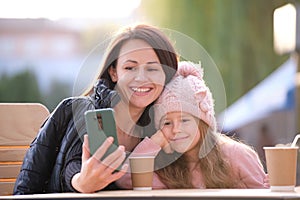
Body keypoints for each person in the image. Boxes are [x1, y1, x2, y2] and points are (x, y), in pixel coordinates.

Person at [13, 23, 178, 194]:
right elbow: (69, 166)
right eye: (130, 68)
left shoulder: (163, 126)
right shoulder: (74, 110)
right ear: (114, 72)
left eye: (152, 68)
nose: (141, 77)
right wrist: (81, 183)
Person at [116, 61, 269, 189]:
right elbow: (125, 177)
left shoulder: (235, 155)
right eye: (167, 122)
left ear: (203, 122)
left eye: (184, 120)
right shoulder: (164, 169)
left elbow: (262, 193)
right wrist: (156, 142)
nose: (176, 129)